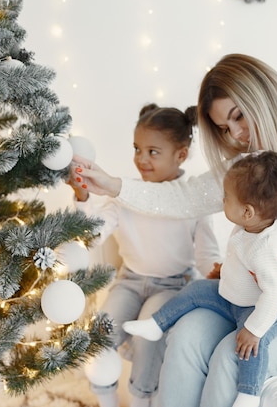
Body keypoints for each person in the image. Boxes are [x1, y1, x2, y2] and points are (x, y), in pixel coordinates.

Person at [71, 53, 277, 407]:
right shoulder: (254, 163)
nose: (238, 135)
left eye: (239, 117)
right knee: (183, 337)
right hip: (256, 302)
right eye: (226, 129)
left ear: (267, 95)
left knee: (233, 359)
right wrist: (113, 185)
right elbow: (184, 197)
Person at [69, 103, 221, 407]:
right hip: (130, 281)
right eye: (137, 149)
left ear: (181, 155)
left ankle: (142, 400)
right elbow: (90, 234)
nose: (141, 159)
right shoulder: (125, 193)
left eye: (153, 152)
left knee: (148, 337)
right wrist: (82, 196)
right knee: (100, 335)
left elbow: (206, 253)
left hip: (172, 285)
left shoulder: (192, 201)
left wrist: (215, 271)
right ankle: (107, 400)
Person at [123, 152, 277, 407]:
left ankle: (249, 393)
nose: (222, 200)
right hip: (233, 296)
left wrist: (254, 329)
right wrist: (226, 272)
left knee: (249, 347)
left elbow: (276, 292)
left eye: (226, 198)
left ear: (247, 211)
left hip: (263, 308)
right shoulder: (250, 226)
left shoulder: (265, 249)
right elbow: (243, 262)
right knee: (195, 290)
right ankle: (156, 324)